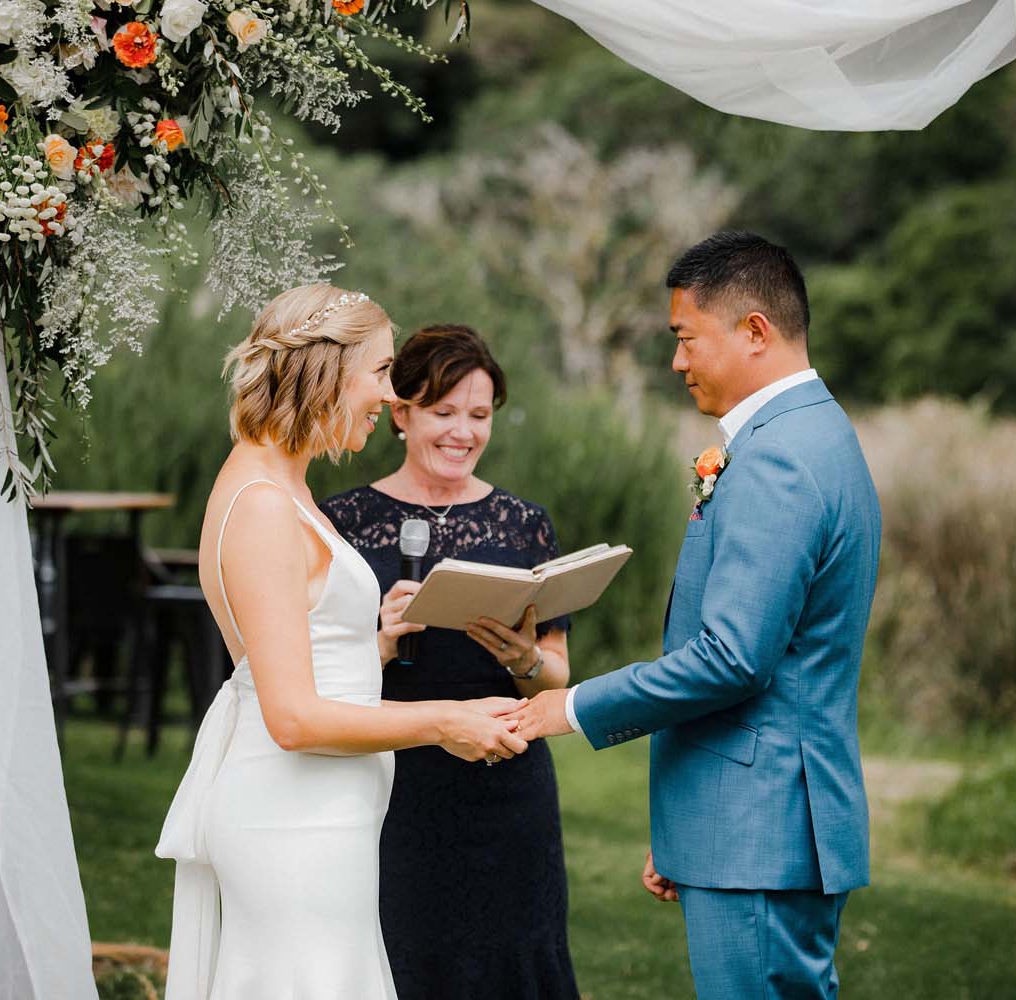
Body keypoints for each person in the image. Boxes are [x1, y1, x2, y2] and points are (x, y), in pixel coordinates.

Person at [510, 233, 882, 999]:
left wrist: (572, 707)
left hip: (762, 832)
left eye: (686, 339)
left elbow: (733, 658)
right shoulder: (817, 433)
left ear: (754, 331)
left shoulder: (780, 455)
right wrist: (690, 829)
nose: (677, 363)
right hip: (749, 827)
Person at [154, 287, 529, 1000]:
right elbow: (291, 717)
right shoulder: (263, 505)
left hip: (324, 817)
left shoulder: (280, 486)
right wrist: (443, 722)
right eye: (381, 372)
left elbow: (292, 651)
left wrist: (371, 646)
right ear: (329, 373)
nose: (389, 396)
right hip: (290, 823)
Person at [321, 324, 581, 1000]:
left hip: (506, 784)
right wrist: (375, 638)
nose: (462, 432)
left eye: (479, 415)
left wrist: (525, 658)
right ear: (401, 414)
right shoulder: (340, 522)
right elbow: (311, 675)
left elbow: (556, 673)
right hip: (392, 781)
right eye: (443, 412)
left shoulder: (524, 524)